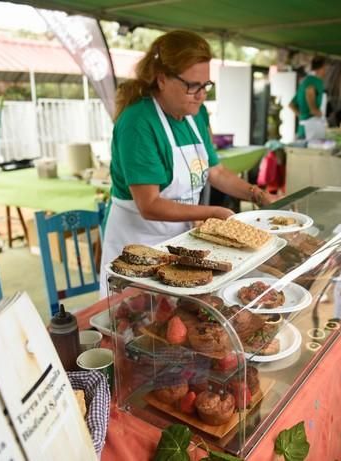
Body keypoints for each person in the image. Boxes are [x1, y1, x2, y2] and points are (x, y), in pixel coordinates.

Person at [99, 30, 272, 295]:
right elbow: (150, 205)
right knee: (136, 321)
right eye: (192, 85)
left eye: (206, 86)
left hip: (179, 243)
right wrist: (212, 213)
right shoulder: (138, 123)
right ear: (162, 79)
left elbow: (216, 172)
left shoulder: (196, 115)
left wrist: (256, 194)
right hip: (136, 246)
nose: (201, 95)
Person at [289, 56, 327, 139]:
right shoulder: (314, 81)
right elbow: (309, 91)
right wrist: (314, 110)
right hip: (310, 131)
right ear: (321, 68)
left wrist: (302, 116)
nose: (326, 70)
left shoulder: (305, 82)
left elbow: (291, 105)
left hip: (303, 129)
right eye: (325, 67)